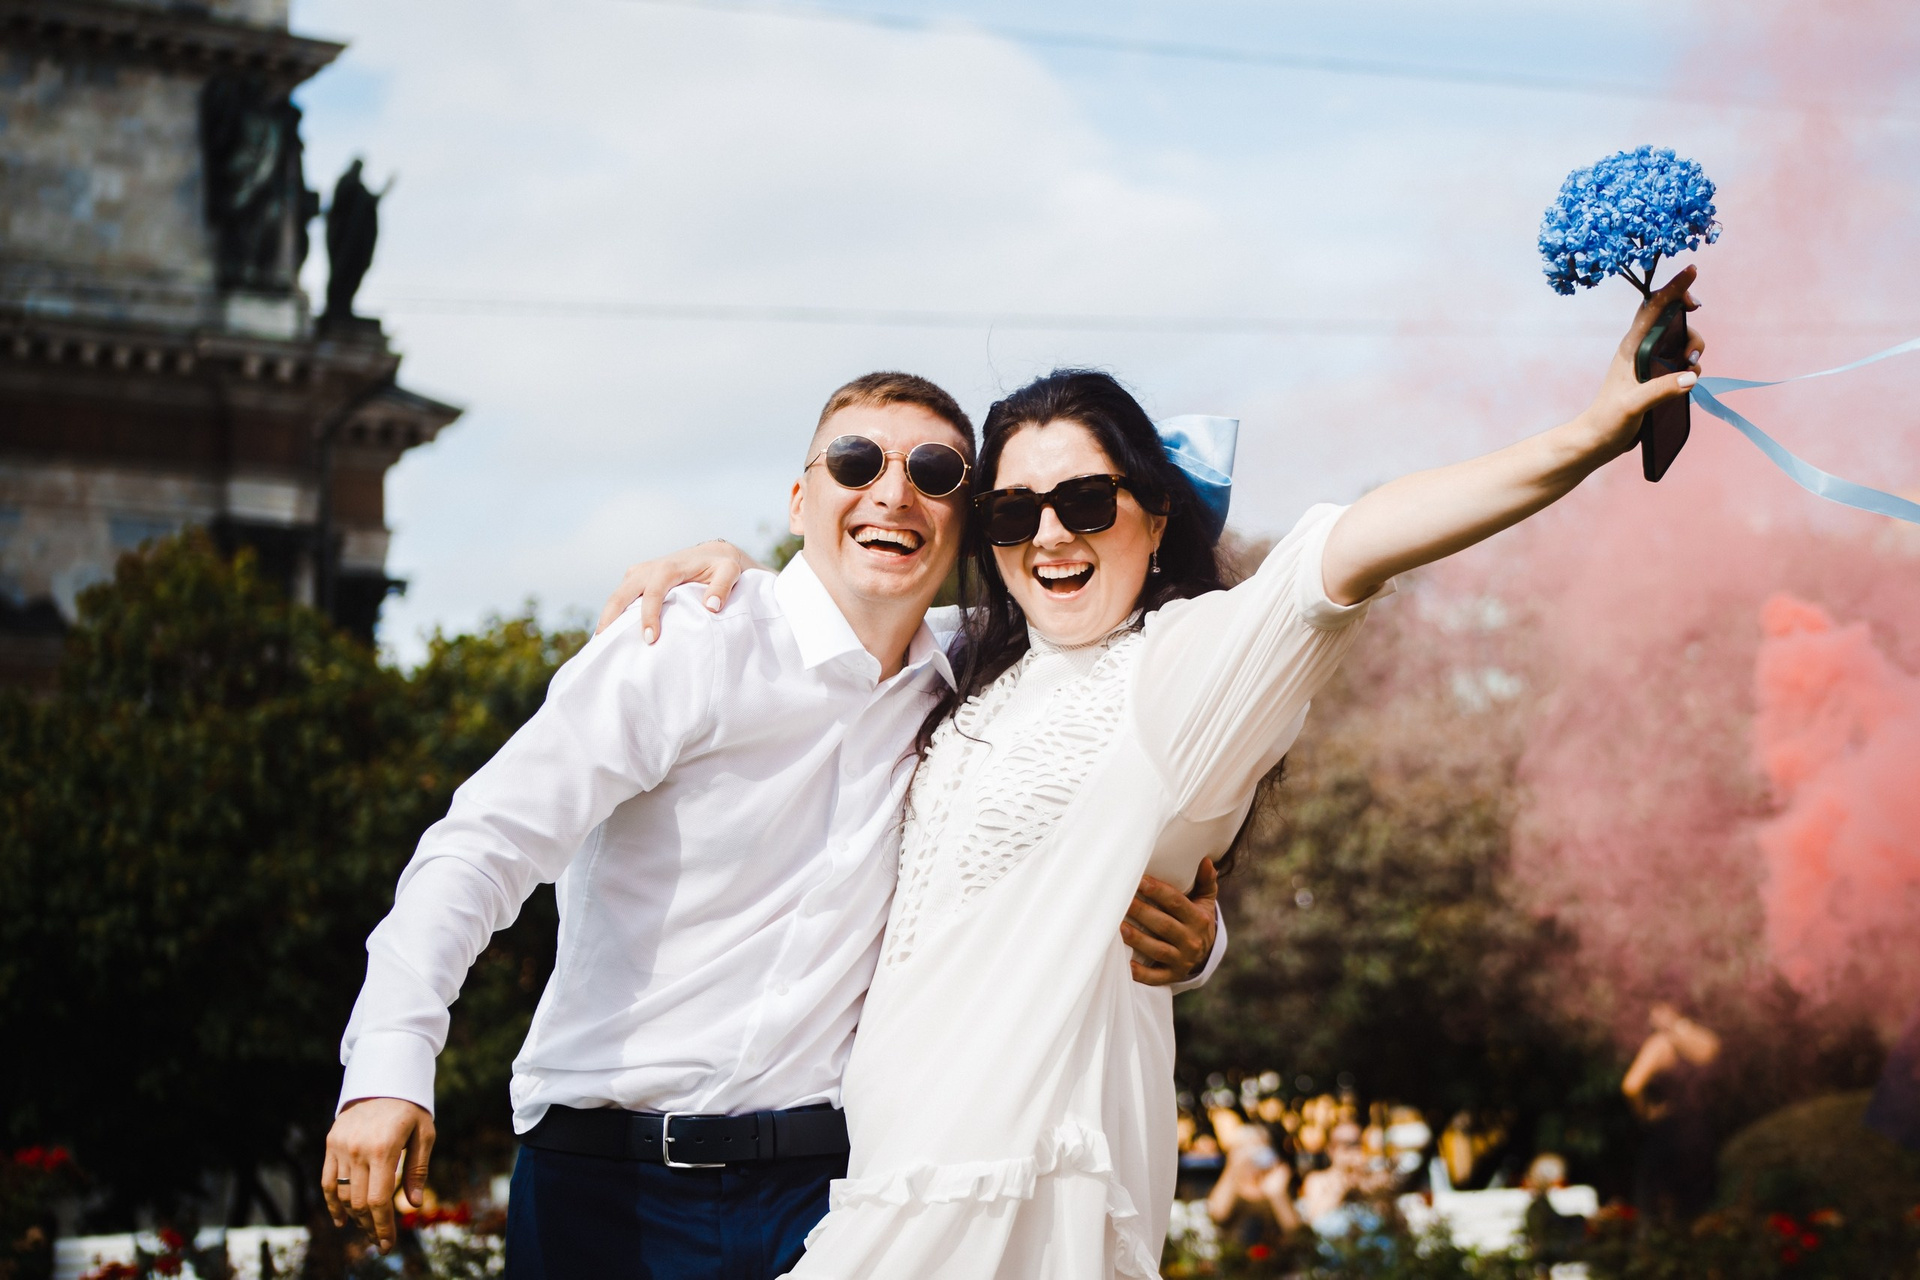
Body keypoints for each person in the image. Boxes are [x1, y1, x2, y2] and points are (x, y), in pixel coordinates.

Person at [616, 268, 1705, 1276]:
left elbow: (1357, 544)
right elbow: (848, 616)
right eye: (1012, 510)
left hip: (1019, 1201)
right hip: (881, 1189)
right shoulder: (972, 668)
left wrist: (1588, 432)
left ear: (1157, 508)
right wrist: (737, 579)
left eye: (1086, 500)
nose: (1049, 533)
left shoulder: (1184, 664)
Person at [320, 372, 1223, 1280]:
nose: (893, 493)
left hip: (828, 1201)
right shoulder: (683, 646)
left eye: (939, 472)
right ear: (801, 498)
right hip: (609, 1188)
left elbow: (1083, 820)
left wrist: (1202, 938)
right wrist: (390, 1063)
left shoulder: (978, 681)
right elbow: (484, 845)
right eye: (855, 460)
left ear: (967, 523)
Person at [1622, 1000, 1723, 1219]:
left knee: (1659, 1203)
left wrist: (1646, 1113)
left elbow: (1630, 1086)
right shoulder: (1707, 1040)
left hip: (1668, 1130)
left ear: (1668, 1011)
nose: (1650, 1019)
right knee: (1698, 1204)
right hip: (1700, 1129)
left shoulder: (1660, 1044)